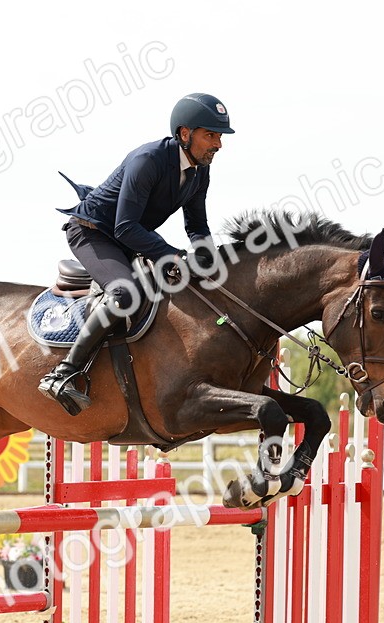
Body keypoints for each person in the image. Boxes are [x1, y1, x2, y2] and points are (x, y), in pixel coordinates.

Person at [38, 92, 235, 415]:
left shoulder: (200, 172)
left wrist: (208, 257)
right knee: (125, 294)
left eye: (219, 137)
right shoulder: (149, 161)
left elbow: (197, 225)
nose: (218, 144)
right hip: (94, 233)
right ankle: (64, 373)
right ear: (185, 134)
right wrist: (172, 255)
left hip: (130, 239)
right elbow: (125, 227)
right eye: (210, 135)